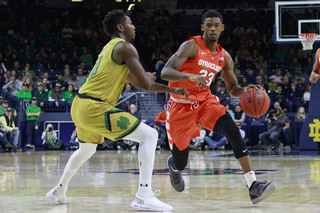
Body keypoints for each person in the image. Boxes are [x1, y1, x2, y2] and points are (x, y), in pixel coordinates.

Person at [46, 10, 189, 212]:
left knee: (87, 149)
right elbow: (146, 84)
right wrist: (148, 77)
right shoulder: (126, 48)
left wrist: (171, 89)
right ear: (120, 27)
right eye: (130, 23)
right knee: (150, 135)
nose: (134, 27)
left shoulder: (110, 48)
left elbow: (138, 82)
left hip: (80, 105)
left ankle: (59, 189)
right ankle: (144, 195)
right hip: (95, 107)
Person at [161, 10, 276, 204]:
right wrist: (189, 76)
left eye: (216, 25)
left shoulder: (224, 57)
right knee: (181, 161)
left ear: (222, 28)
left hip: (205, 103)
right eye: (209, 25)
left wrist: (246, 90)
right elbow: (165, 72)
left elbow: (233, 89)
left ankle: (253, 186)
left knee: (233, 131)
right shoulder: (191, 46)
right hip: (180, 105)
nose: (212, 28)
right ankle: (174, 167)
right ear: (202, 27)